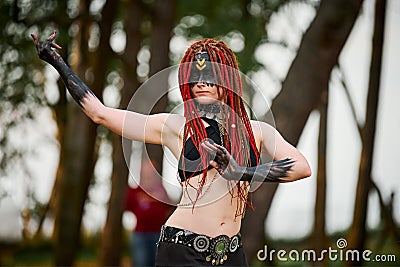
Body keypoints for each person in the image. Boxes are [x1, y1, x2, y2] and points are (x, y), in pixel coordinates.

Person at [32, 32, 311, 266]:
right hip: (182, 250)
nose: (201, 82)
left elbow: (302, 167)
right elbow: (100, 114)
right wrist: (58, 62)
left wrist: (243, 171)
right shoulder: (177, 127)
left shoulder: (258, 131)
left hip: (232, 253)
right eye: (195, 75)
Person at [124, 158, 172, 267]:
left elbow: (169, 205)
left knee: (155, 263)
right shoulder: (136, 190)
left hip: (158, 234)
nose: (149, 171)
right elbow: (128, 207)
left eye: (152, 169)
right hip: (141, 234)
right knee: (141, 262)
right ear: (142, 171)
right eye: (147, 169)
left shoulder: (161, 189)